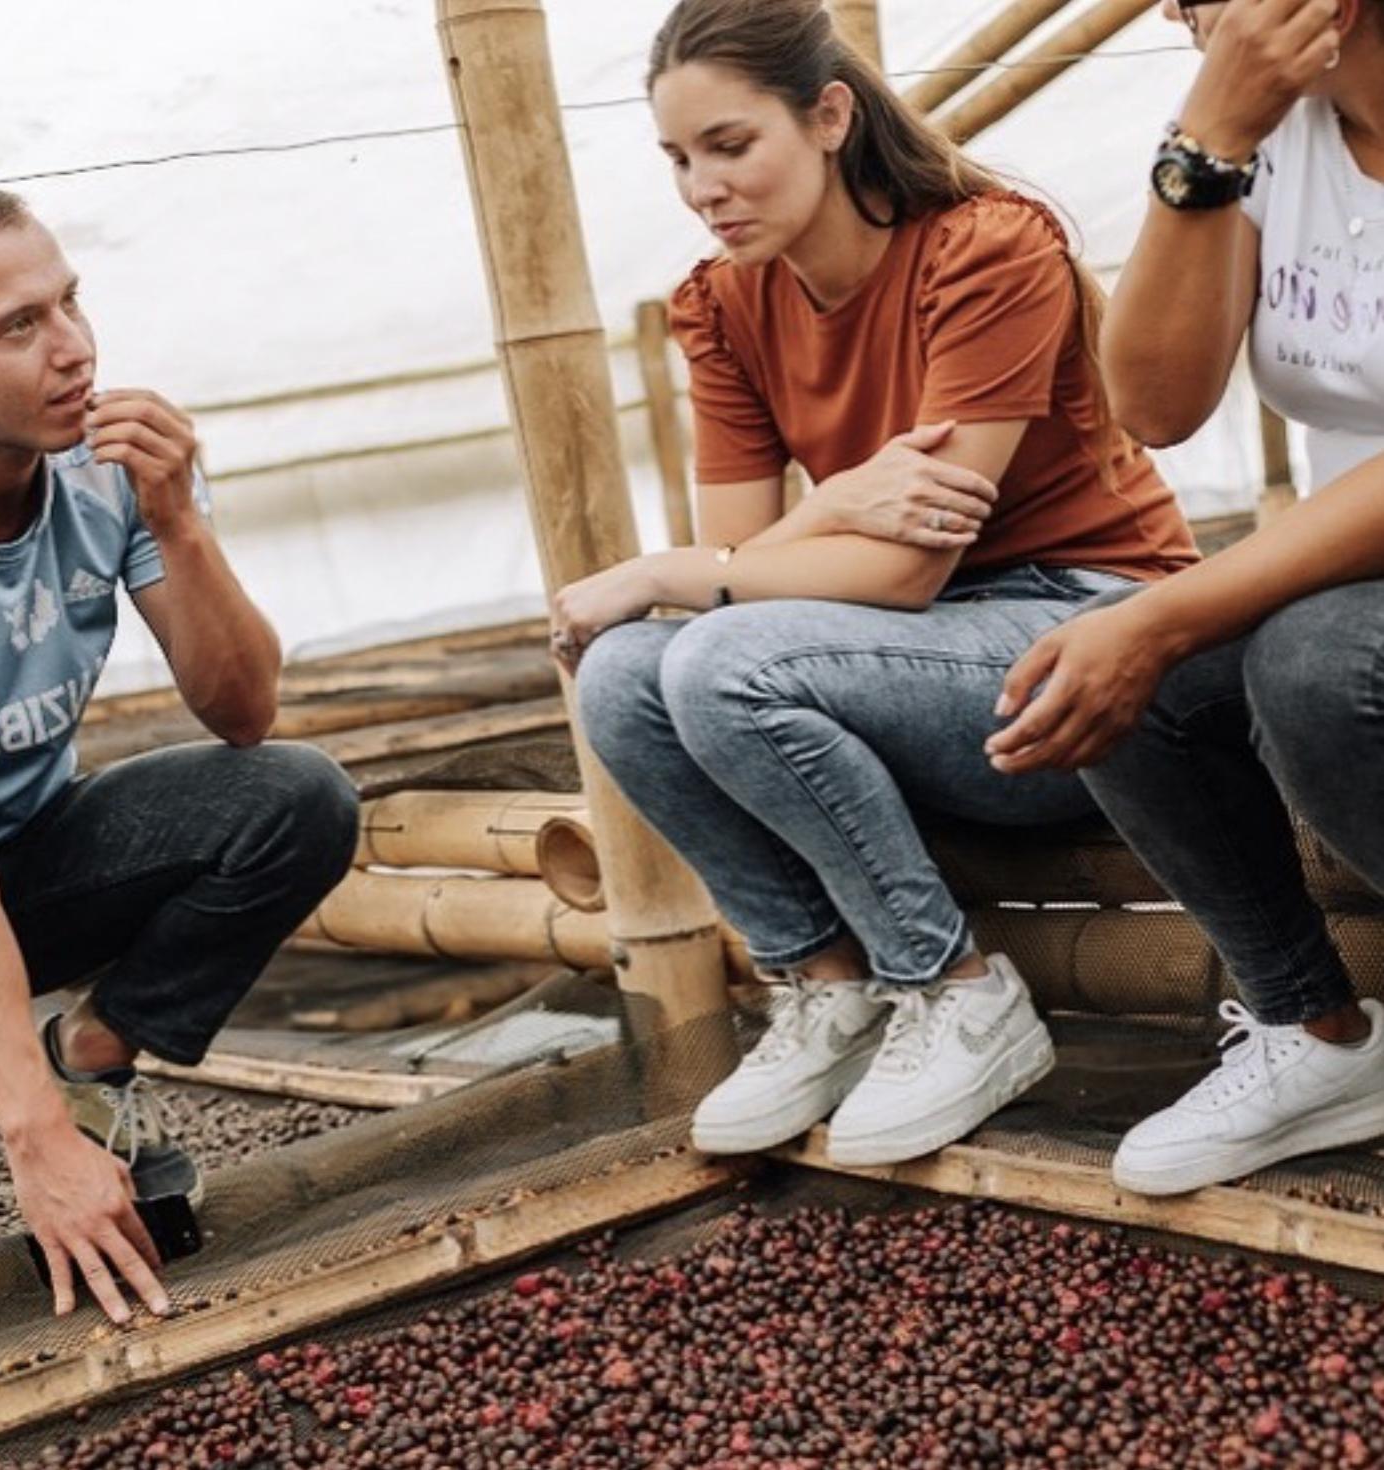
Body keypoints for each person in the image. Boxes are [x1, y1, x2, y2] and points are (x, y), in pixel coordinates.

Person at [553, 0, 1197, 1167]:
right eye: (679, 159)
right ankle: (829, 987)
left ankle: (953, 989)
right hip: (916, 661)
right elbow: (750, 569)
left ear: (831, 116)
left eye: (731, 145)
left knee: (707, 653)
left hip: (1091, 643)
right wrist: (835, 507)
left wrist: (668, 568)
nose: (703, 187)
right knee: (623, 675)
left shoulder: (987, 248)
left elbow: (889, 573)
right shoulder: (725, 303)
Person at [0, 182, 358, 1319]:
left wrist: (178, 520)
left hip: (32, 848)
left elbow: (242, 713)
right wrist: (31, 1146)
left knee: (300, 797)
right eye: (18, 327)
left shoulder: (108, 465)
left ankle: (96, 1051)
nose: (74, 350)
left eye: (70, 302)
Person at [988, 0, 1384, 1194]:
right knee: (1119, 677)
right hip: (1355, 574)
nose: (1172, 3)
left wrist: (1163, 612)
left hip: (1351, 608)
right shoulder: (1267, 130)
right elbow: (1157, 405)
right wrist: (1210, 138)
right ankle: (1316, 1035)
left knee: (1306, 661)